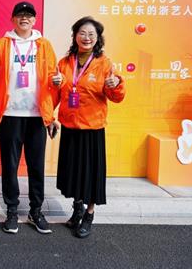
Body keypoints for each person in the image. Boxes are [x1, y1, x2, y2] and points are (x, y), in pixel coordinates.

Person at [53, 16, 125, 238]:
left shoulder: (105, 64)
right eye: (82, 33)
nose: (87, 37)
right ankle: (77, 208)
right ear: (75, 36)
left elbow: (116, 97)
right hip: (70, 126)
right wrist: (54, 88)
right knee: (74, 172)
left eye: (91, 34)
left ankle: (89, 214)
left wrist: (116, 85)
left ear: (97, 38)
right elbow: (56, 92)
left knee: (91, 175)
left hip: (92, 129)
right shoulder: (65, 63)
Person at [0, 1, 59, 235]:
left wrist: (50, 115)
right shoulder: (2, 44)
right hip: (10, 114)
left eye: (29, 15)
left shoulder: (44, 45)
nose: (24, 18)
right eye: (20, 15)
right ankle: (12, 211)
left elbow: (53, 78)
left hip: (36, 115)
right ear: (13, 19)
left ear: (34, 20)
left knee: (36, 166)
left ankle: (36, 211)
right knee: (10, 166)